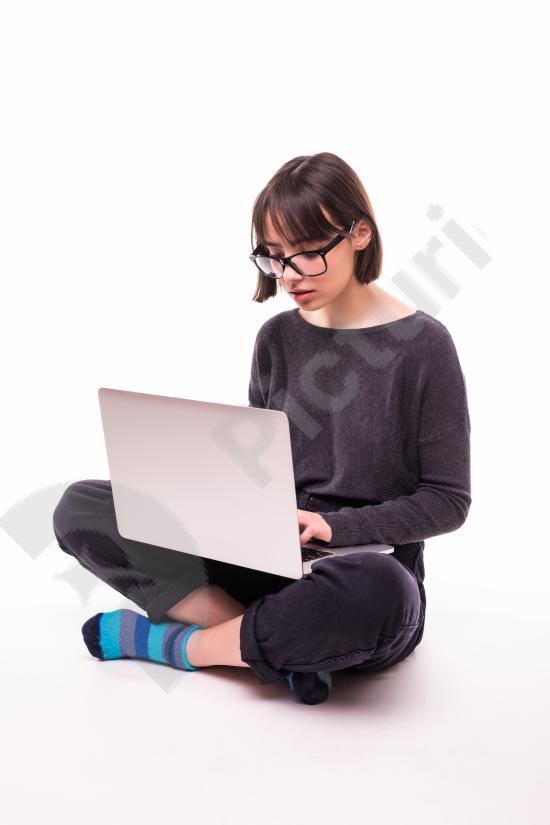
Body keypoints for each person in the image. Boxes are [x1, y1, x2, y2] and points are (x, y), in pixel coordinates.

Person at [52, 151, 471, 705]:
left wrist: (331, 528)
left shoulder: (424, 347)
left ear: (360, 234)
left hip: (359, 570)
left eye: (308, 254)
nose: (290, 275)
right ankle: (268, 640)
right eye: (274, 258)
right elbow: (262, 467)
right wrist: (207, 496)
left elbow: (448, 501)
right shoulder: (276, 339)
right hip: (266, 558)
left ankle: (180, 646)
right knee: (82, 505)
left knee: (383, 592)